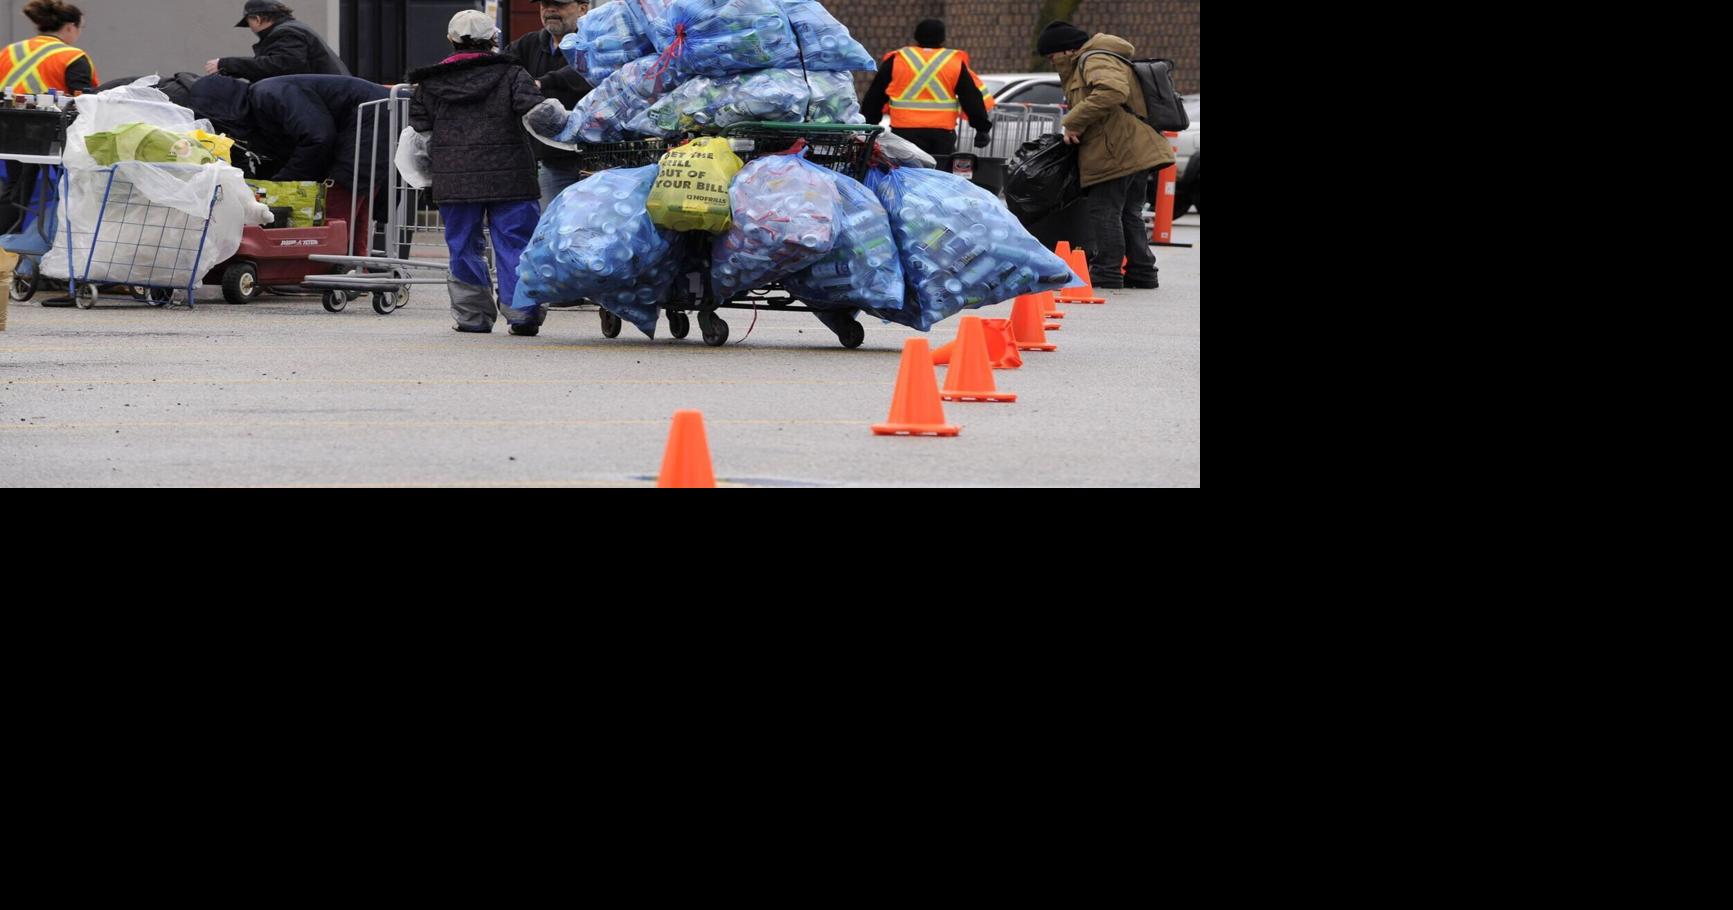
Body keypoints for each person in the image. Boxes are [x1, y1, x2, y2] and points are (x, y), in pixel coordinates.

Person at [409, 10, 547, 336]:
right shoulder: (513, 74)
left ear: (450, 40)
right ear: (494, 40)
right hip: (511, 176)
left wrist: (431, 174)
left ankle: (472, 317)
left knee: (462, 244)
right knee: (516, 243)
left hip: (454, 178)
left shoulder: (428, 84)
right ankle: (522, 312)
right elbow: (538, 114)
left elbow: (420, 132)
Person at [1039, 21, 1173, 291]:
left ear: (1066, 51)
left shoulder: (1094, 58)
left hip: (1117, 149)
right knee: (1128, 213)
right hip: (1131, 147)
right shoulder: (1096, 57)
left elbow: (1112, 91)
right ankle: (1142, 271)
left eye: (1051, 55)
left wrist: (1074, 121)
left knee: (1105, 211)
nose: (1051, 61)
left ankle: (1107, 272)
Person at [189, 74, 389, 251]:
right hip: (371, 115)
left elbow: (317, 137)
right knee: (357, 195)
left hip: (371, 112)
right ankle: (355, 266)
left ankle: (330, 265)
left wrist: (284, 182)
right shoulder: (255, 110)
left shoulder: (267, 95)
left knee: (342, 192)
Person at [859, 19, 992, 158]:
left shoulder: (898, 59)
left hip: (904, 132)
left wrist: (869, 125)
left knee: (907, 174)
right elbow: (971, 97)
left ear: (916, 36)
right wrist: (981, 128)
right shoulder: (953, 61)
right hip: (941, 134)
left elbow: (875, 96)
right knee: (939, 174)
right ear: (942, 39)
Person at [505, 0, 593, 209]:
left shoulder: (594, 39)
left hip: (596, 159)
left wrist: (542, 82)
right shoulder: (529, 44)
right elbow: (499, 69)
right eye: (545, 5)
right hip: (552, 159)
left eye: (559, 5)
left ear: (582, 8)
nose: (551, 10)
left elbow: (586, 70)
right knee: (551, 226)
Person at [206, 1, 349, 80]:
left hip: (330, 104)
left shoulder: (286, 32)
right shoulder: (292, 29)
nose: (250, 28)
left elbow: (282, 66)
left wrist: (226, 64)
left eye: (248, 22)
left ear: (257, 19)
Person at [1, 1, 98, 95]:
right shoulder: (73, 57)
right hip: (52, 111)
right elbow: (85, 101)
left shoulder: (9, 51)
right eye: (81, 27)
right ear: (70, 27)